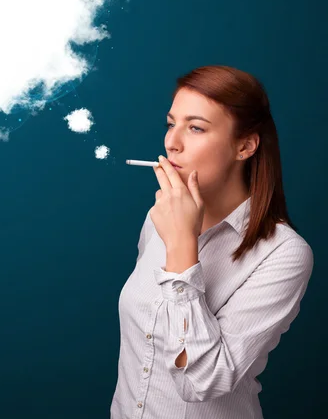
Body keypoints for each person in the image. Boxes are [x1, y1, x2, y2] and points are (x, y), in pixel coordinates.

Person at [110, 65, 314, 419]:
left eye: (196, 128)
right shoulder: (158, 218)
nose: (172, 142)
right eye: (170, 124)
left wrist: (182, 247)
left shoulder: (284, 254)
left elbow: (202, 383)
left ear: (245, 146)